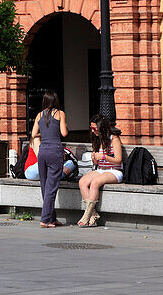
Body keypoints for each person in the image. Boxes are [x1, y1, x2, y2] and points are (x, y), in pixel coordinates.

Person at [77, 115, 124, 227]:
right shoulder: (97, 139)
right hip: (101, 169)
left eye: (95, 129)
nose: (93, 131)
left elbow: (118, 160)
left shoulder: (114, 139)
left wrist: (103, 157)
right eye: (91, 128)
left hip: (114, 171)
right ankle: (93, 215)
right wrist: (94, 158)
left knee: (95, 183)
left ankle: (86, 215)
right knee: (82, 182)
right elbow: (97, 163)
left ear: (101, 128)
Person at [31, 90, 69, 228]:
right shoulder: (60, 113)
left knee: (45, 186)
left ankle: (52, 218)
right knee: (52, 187)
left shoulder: (39, 115)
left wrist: (45, 131)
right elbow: (64, 133)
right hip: (55, 151)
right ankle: (45, 219)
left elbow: (34, 134)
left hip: (43, 152)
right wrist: (57, 130)